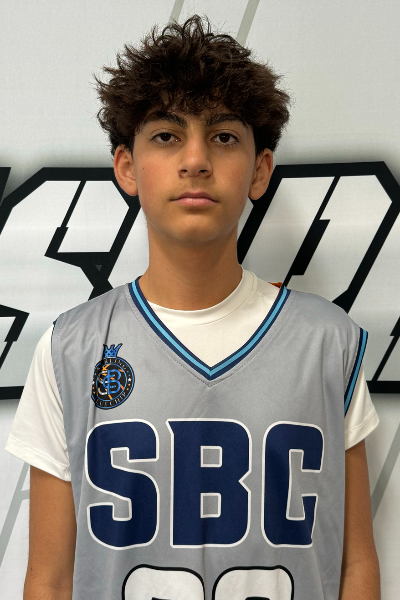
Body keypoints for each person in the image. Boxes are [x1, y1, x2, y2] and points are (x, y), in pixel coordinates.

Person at [6, 14, 380, 600]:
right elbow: (50, 580)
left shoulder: (329, 343)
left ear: (260, 169)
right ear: (127, 167)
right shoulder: (70, 349)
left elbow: (355, 566)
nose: (196, 160)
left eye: (224, 137)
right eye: (167, 135)